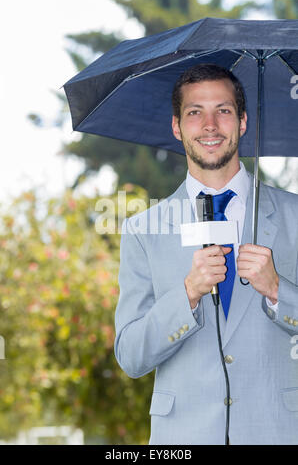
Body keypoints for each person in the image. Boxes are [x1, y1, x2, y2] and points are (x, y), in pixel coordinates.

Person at [114, 64, 298, 445]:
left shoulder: (294, 215)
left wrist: (280, 290)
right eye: (195, 112)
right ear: (177, 127)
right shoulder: (142, 230)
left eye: (224, 110)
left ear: (243, 122)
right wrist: (187, 294)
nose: (210, 125)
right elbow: (131, 356)